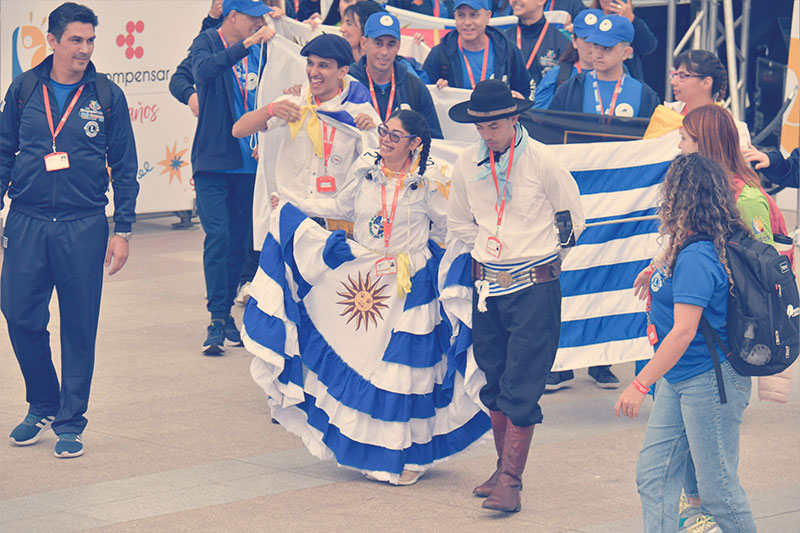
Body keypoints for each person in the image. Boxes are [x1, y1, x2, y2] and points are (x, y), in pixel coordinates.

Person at [243, 109, 490, 484]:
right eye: (383, 132)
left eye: (394, 135)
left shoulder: (431, 181)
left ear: (415, 144)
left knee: (405, 374)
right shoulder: (364, 169)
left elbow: (450, 225)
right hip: (365, 282)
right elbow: (337, 206)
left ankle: (411, 458)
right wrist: (291, 206)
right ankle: (372, 448)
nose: (385, 140)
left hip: (412, 286)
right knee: (363, 362)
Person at [0, 2, 138, 458]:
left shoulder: (105, 94)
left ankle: (70, 420)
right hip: (27, 220)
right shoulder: (23, 89)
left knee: (79, 326)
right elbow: (3, 155)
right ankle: (43, 401)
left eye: (90, 40)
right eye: (75, 40)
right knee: (19, 316)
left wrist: (124, 229)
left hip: (83, 225)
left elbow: (125, 166)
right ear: (53, 40)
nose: (84, 48)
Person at [447, 80, 584, 512]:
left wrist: (535, 255)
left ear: (513, 118)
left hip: (534, 287)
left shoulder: (543, 161)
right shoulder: (467, 162)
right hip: (487, 284)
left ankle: (511, 480)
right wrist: (490, 247)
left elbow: (572, 222)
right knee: (494, 375)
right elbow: (459, 223)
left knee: (523, 383)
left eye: (493, 125)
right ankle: (501, 466)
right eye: (479, 126)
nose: (486, 134)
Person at [617, 153, 757, 533]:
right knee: (654, 474)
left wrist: (639, 382)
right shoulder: (689, 245)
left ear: (683, 198)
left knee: (719, 494)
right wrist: (655, 273)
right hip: (682, 379)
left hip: (708, 382)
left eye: (669, 193)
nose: (665, 201)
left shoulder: (697, 255)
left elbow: (683, 331)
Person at [189, 0, 275, 355]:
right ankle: (216, 317)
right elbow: (203, 72)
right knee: (218, 237)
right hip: (214, 160)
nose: (259, 24)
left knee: (240, 244)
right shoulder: (209, 41)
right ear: (233, 16)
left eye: (262, 19)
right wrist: (247, 45)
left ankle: (226, 319)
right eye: (253, 18)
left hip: (252, 163)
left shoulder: (268, 51)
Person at [232, 34, 379, 217]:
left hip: (334, 220)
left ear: (342, 72)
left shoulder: (358, 114)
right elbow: (238, 130)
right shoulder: (294, 103)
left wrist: (372, 132)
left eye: (323, 66)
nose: (313, 72)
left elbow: (376, 165)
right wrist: (270, 109)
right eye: (310, 63)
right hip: (292, 215)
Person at [348, 12, 444, 138]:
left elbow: (434, 139)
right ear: (364, 43)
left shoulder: (414, 87)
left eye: (391, 44)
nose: (384, 52)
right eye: (378, 43)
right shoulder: (348, 83)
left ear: (398, 46)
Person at [549, 14, 659, 119]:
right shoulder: (570, 89)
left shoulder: (645, 96)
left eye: (607, 48)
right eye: (595, 45)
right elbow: (550, 132)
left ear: (626, 53)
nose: (597, 54)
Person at [422, 0, 532, 98]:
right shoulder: (439, 54)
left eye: (474, 15)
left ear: (488, 16)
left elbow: (526, 91)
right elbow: (422, 98)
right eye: (461, 15)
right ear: (455, 17)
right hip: (457, 120)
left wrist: (519, 100)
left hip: (496, 120)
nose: (467, 22)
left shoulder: (508, 50)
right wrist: (437, 91)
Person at [652, 50, 751, 149]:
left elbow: (738, 163)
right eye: (674, 74)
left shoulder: (732, 129)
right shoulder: (667, 115)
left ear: (706, 83)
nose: (673, 82)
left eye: (682, 76)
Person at [532, 7, 601, 109]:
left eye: (597, 38)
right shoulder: (557, 75)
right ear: (574, 41)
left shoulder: (618, 73)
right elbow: (536, 116)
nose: (592, 45)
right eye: (586, 39)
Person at [505, 0, 570, 95]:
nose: (513, 1)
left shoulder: (561, 42)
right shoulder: (503, 41)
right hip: (512, 106)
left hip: (544, 108)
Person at [589, 0, 656, 82]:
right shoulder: (589, 19)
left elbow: (649, 46)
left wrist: (632, 20)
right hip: (594, 81)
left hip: (627, 82)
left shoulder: (631, 21)